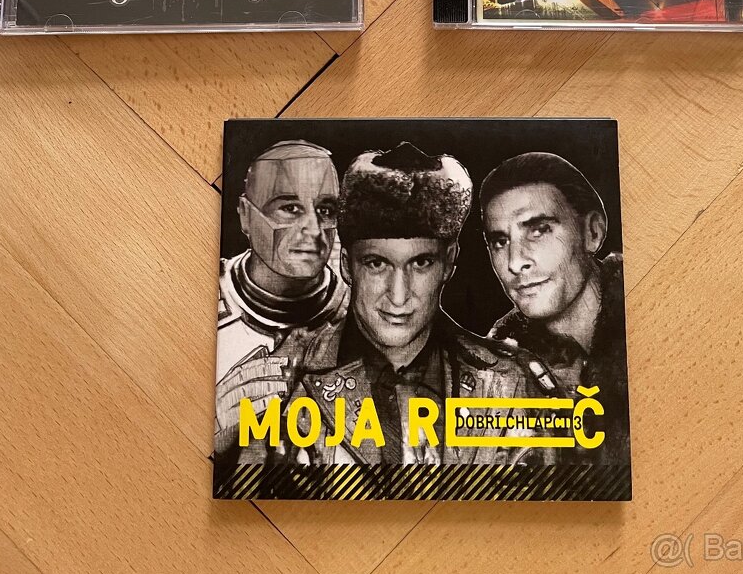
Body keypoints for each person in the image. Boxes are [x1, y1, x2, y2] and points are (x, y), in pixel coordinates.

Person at [251, 142, 552, 468]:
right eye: (376, 264)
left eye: (421, 263)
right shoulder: (284, 380)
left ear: (448, 262)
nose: (398, 296)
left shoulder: (511, 382)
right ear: (346, 265)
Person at [481, 152, 630, 466]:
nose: (514, 262)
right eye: (500, 242)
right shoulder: (495, 371)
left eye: (538, 230)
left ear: (592, 232)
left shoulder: (654, 314)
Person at [215, 141, 349, 456]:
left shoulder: (372, 312)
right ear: (245, 215)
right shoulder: (202, 297)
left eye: (326, 210)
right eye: (290, 208)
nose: (314, 230)